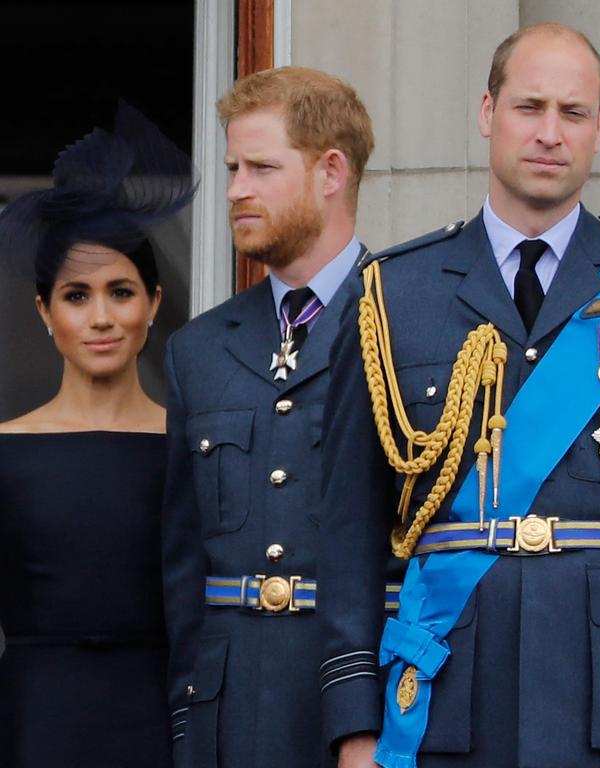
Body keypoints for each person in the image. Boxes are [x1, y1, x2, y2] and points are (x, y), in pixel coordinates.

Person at [319, 23, 600, 768]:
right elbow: (348, 530)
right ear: (488, 112)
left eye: (573, 113)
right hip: (442, 701)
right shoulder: (393, 294)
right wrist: (356, 727)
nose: (550, 133)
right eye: (530, 107)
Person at [161, 67, 378, 768]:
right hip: (229, 718)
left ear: (331, 171)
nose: (234, 191)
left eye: (260, 167)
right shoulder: (198, 350)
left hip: (364, 712)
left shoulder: (412, 323)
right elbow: (183, 567)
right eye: (232, 168)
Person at [0, 105, 195, 768]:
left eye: (121, 291)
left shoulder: (191, 447)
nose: (102, 317)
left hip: (164, 718)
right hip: (33, 721)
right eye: (77, 296)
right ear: (44, 312)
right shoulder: (5, 452)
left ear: (153, 304)